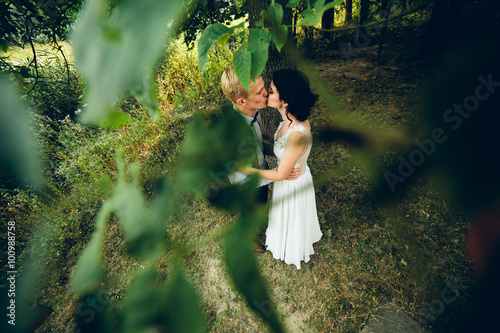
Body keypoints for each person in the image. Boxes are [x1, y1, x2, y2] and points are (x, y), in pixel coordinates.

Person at [240, 69, 322, 269]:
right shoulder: (287, 119)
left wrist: (247, 170)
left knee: (291, 220)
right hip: (286, 181)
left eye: (272, 90)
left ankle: (292, 248)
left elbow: (280, 174)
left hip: (292, 184)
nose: (267, 93)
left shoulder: (297, 135)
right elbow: (278, 141)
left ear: (285, 100)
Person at [220, 66, 299, 252]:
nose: (267, 93)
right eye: (259, 92)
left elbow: (259, 137)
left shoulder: (252, 111)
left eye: (264, 87)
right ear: (242, 101)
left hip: (259, 167)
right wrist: (280, 173)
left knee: (262, 201)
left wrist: (280, 147)